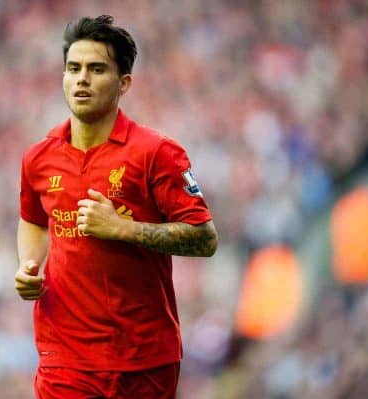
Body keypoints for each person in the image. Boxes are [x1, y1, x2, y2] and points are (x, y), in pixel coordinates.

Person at [15, 15, 218, 398]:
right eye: (73, 69)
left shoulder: (158, 153)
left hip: (144, 359)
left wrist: (123, 228)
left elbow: (204, 239)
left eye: (96, 69)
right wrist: (29, 266)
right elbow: (34, 221)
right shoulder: (38, 158)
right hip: (66, 358)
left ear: (124, 83)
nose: (82, 79)